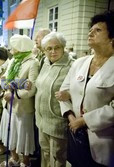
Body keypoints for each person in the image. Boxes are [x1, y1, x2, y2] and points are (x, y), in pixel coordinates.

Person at [59, 10, 114, 167]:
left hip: (103, 139)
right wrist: (72, 119)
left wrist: (85, 120)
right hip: (76, 135)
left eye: (98, 30)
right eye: (90, 30)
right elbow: (64, 92)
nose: (90, 33)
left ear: (112, 38)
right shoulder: (79, 63)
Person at [0, 34, 39, 167]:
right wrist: (9, 86)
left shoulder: (33, 62)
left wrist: (14, 93)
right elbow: (3, 78)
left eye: (14, 47)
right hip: (8, 104)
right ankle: (14, 157)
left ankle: (25, 161)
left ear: (20, 47)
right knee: (10, 133)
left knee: (23, 134)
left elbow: (31, 88)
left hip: (22, 106)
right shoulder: (13, 61)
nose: (11, 50)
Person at [35, 32, 74, 167]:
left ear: (63, 47)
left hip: (58, 120)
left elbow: (82, 90)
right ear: (44, 50)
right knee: (45, 152)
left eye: (57, 47)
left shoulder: (72, 66)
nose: (53, 51)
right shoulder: (44, 63)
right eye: (49, 48)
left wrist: (69, 94)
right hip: (41, 118)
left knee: (58, 156)